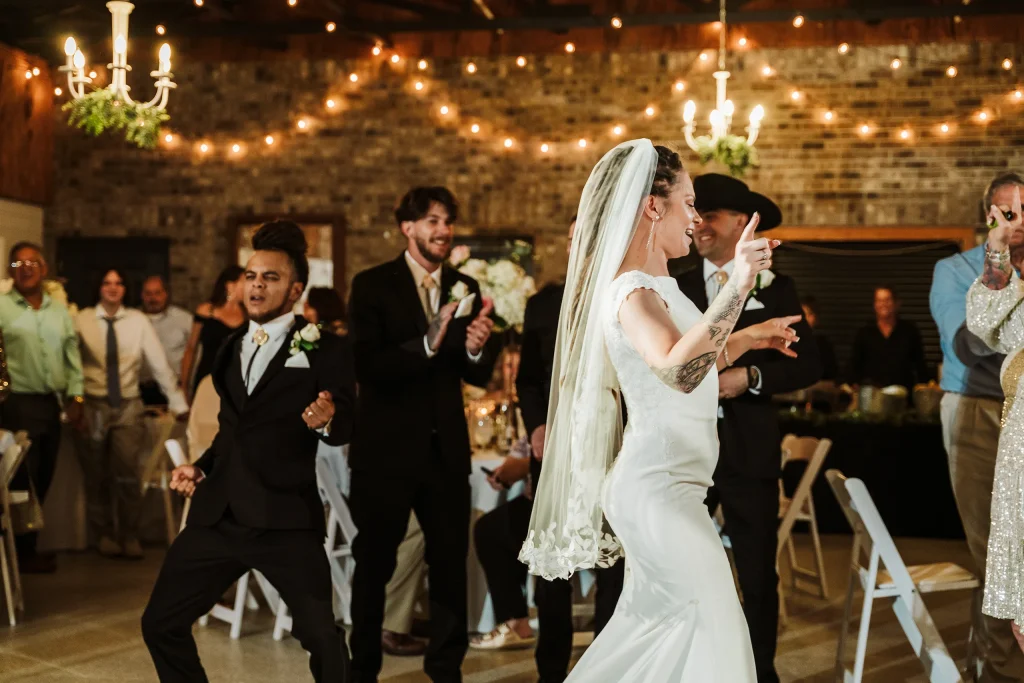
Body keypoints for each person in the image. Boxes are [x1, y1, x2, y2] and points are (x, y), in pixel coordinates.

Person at [520, 140, 802, 682]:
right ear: (654, 206)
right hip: (657, 492)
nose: (694, 219)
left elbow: (700, 355)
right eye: (689, 203)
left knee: (661, 634)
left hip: (678, 488)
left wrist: (748, 339)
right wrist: (740, 284)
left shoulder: (661, 287)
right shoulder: (630, 291)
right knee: (711, 627)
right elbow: (678, 371)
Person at [141, 220, 356, 682]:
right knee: (160, 623)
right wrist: (200, 469)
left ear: (296, 289)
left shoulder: (325, 349)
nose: (256, 286)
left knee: (321, 635)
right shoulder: (228, 347)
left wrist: (328, 420)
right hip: (219, 514)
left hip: (284, 517)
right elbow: (229, 433)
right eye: (251, 276)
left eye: (271, 278)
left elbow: (345, 425)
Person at [674, 173, 820, 683]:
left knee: (757, 574)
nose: (700, 225)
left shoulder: (777, 287)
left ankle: (760, 672)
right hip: (685, 452)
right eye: (696, 215)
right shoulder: (673, 284)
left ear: (741, 224)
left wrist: (751, 376)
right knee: (681, 570)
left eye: (711, 216)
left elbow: (807, 362)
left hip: (747, 452)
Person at [347, 186, 497, 683]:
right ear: (406, 227)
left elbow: (475, 375)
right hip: (385, 452)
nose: (443, 230)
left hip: (445, 451)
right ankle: (363, 668)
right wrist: (428, 344)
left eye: (448, 220)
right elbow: (366, 366)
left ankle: (445, 669)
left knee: (449, 567)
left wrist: (476, 349)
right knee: (373, 567)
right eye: (432, 220)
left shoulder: (465, 283)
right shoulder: (372, 285)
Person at [472, 215, 626, 683]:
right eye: (576, 233)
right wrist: (537, 425)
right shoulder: (543, 305)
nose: (582, 242)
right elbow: (530, 379)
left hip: (617, 456)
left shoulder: (628, 295)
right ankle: (550, 672)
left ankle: (605, 669)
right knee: (553, 573)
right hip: (555, 460)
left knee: (614, 572)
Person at [931, 172, 1024, 682]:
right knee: (995, 547)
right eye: (1006, 212)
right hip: (978, 410)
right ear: (989, 214)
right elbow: (969, 344)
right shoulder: (957, 269)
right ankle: (997, 671)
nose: (1016, 220)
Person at [305, 284, 430, 658]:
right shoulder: (336, 375)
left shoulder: (351, 366)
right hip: (341, 490)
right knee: (414, 528)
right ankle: (389, 625)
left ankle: (406, 612)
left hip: (357, 477)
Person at [74, 268, 188, 559]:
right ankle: (102, 536)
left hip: (127, 404)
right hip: (92, 403)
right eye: (107, 282)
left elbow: (159, 363)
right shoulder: (82, 319)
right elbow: (70, 363)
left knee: (127, 473)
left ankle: (129, 535)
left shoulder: (137, 321)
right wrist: (71, 402)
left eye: (119, 283)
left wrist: (178, 404)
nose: (113, 287)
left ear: (126, 289)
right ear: (98, 287)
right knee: (96, 475)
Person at [966, 183, 1024, 669]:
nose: (1019, 218)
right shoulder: (1008, 276)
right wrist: (999, 246)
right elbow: (982, 325)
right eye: (1009, 212)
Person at [0, 242, 84, 574]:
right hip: (15, 405)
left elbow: (72, 357)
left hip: (50, 404)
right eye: (18, 262)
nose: (26, 267)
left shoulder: (59, 311)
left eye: (32, 262)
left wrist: (76, 397)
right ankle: (17, 552)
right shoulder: (2, 308)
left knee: (44, 476)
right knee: (22, 480)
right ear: (10, 271)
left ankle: (26, 548)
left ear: (44, 269)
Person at [180, 265, 246, 401]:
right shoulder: (206, 311)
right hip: (207, 376)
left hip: (238, 381)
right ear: (230, 285)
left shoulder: (249, 315)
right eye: (244, 281)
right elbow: (191, 349)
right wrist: (184, 386)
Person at [848, 285, 929, 390]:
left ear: (896, 303)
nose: (883, 304)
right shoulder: (864, 332)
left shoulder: (910, 331)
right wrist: (852, 384)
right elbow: (854, 363)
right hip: (873, 395)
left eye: (887, 300)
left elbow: (920, 363)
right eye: (879, 301)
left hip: (904, 395)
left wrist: (924, 385)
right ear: (875, 305)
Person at [139, 275, 193, 406]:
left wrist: (187, 386)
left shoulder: (184, 320)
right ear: (142, 295)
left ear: (166, 294)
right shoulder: (133, 320)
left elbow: (195, 353)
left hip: (175, 389)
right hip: (139, 391)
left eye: (157, 293)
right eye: (148, 293)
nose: (153, 298)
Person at [801, 296, 838, 381]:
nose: (805, 319)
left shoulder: (823, 344)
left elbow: (831, 374)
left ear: (816, 318)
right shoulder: (784, 342)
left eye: (810, 314)